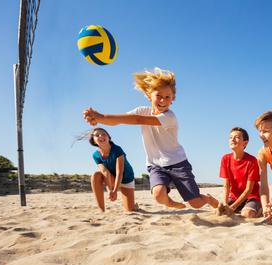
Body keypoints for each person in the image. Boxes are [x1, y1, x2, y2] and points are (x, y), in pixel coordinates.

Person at [83, 67, 219, 210]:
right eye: (158, 96)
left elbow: (136, 120)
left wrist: (101, 117)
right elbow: (121, 119)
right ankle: (169, 202)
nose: (163, 100)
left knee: (196, 204)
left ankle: (209, 199)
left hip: (178, 163)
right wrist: (98, 119)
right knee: (158, 195)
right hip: (156, 165)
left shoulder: (169, 116)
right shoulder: (142, 110)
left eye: (168, 97)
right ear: (149, 97)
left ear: (172, 100)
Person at [88, 128, 138, 213]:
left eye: (104, 134)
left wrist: (115, 191)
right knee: (95, 175)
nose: (101, 136)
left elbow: (119, 172)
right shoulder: (96, 155)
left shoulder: (117, 149)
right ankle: (101, 210)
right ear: (94, 141)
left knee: (130, 209)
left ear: (108, 138)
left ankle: (135, 205)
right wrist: (109, 191)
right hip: (112, 178)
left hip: (126, 178)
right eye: (97, 135)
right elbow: (105, 172)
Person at [218, 127, 265, 218]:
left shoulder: (252, 161)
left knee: (246, 214)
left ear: (245, 143)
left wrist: (233, 207)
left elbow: (248, 190)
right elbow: (226, 186)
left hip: (251, 196)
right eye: (230, 137)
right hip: (235, 197)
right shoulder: (225, 159)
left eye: (237, 137)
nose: (232, 139)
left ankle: (260, 208)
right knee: (221, 212)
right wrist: (225, 205)